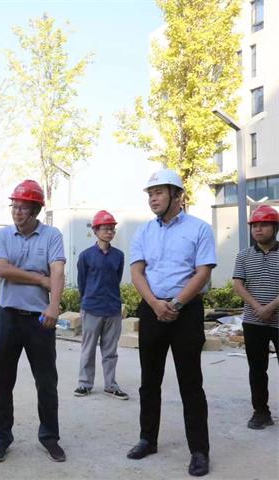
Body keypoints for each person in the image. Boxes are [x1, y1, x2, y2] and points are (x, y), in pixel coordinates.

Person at [127, 168, 215, 477]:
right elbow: (137, 272)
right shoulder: (144, 232)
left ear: (177, 195)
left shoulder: (199, 229)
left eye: (159, 193)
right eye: (150, 194)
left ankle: (199, 451)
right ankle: (147, 439)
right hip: (152, 309)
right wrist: (154, 304)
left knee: (190, 383)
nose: (153, 199)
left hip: (185, 312)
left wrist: (176, 303)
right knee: (149, 380)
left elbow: (203, 272)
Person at [0, 179, 66, 464]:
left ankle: (50, 438)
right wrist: (39, 279)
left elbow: (57, 271)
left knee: (46, 382)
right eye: (15, 206)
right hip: (8, 316)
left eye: (23, 208)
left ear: (36, 210)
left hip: (40, 319)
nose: (17, 212)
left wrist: (54, 305)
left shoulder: (51, 235)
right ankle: (1, 438)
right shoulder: (2, 235)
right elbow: (2, 269)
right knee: (3, 380)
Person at [232, 204, 279, 430]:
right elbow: (238, 285)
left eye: (264, 225)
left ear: (275, 228)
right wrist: (258, 307)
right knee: (257, 369)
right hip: (253, 322)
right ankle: (261, 412)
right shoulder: (244, 255)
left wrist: (270, 307)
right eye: (255, 226)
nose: (258, 230)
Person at [74, 210, 128, 400]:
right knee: (88, 349)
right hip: (91, 308)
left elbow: (116, 278)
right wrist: (86, 301)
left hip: (112, 308)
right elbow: (82, 282)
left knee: (110, 351)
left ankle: (110, 385)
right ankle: (85, 384)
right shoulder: (86, 256)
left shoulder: (119, 256)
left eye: (112, 229)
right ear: (95, 231)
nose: (110, 232)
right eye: (105, 229)